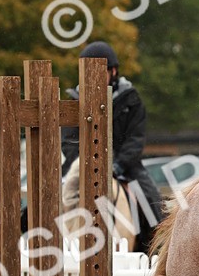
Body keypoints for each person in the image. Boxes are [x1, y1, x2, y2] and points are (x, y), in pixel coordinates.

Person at [61, 41, 165, 255]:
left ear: (113, 71)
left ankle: (154, 250)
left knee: (151, 203)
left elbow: (135, 139)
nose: (93, 78)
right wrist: (83, 165)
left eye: (100, 72)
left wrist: (116, 165)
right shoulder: (73, 101)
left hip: (124, 166)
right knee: (46, 194)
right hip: (81, 165)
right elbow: (69, 141)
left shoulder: (131, 100)